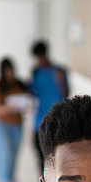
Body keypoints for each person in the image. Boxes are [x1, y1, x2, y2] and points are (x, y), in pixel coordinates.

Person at [29, 40, 69, 174]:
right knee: (40, 160)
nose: (38, 60)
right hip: (38, 122)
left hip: (55, 122)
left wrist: (61, 82)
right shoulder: (35, 72)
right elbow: (32, 92)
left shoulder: (58, 72)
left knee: (56, 159)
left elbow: (65, 95)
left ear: (45, 55)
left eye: (39, 57)